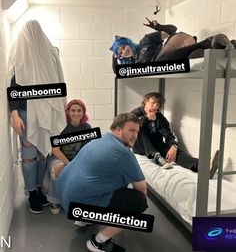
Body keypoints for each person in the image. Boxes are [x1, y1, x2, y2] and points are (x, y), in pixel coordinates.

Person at [57, 113, 148, 252]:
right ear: (118, 130)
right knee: (139, 201)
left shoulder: (98, 141)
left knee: (107, 181)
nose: (135, 135)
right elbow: (142, 188)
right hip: (77, 204)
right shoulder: (123, 153)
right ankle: (98, 242)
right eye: (131, 130)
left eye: (137, 131)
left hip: (66, 199)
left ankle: (84, 220)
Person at [8, 20, 67, 214]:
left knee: (44, 152)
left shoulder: (50, 53)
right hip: (26, 111)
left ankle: (40, 190)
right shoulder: (19, 55)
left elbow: (59, 79)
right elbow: (13, 86)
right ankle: (32, 192)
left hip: (46, 109)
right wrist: (14, 114)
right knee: (28, 155)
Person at [131, 92, 219, 178]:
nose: (155, 107)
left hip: (156, 145)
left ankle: (203, 168)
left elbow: (169, 135)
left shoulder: (160, 117)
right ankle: (155, 156)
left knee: (173, 152)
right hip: (140, 147)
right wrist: (147, 118)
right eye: (153, 103)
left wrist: (173, 147)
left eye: (158, 104)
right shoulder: (136, 113)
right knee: (136, 126)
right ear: (145, 102)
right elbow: (127, 124)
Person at [110, 18, 233, 69]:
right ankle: (215, 47)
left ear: (128, 43)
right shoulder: (134, 64)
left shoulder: (145, 41)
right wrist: (114, 58)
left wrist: (158, 27)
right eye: (121, 53)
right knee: (160, 66)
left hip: (176, 42)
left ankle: (209, 41)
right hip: (174, 59)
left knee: (158, 64)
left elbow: (172, 30)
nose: (124, 52)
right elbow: (117, 72)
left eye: (123, 47)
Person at [47, 99, 91, 215]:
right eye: (73, 110)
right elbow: (55, 150)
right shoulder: (61, 126)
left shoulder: (86, 127)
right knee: (59, 167)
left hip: (76, 158)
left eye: (79, 111)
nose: (76, 114)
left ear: (83, 112)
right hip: (58, 158)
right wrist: (69, 163)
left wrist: (78, 163)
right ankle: (54, 200)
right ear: (67, 111)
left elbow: (87, 149)